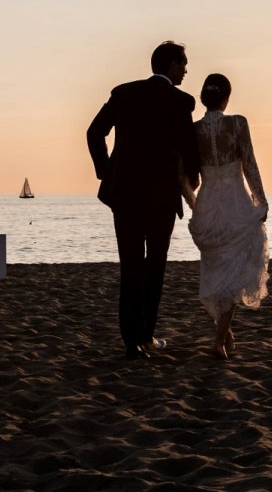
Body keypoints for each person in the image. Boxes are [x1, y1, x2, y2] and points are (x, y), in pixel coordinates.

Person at [87, 41, 201, 361]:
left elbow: (94, 133)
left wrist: (106, 170)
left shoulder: (123, 93)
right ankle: (146, 335)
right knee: (155, 266)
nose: (186, 71)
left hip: (124, 195)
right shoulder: (180, 101)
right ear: (171, 65)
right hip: (161, 197)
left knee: (131, 265)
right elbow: (188, 147)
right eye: (183, 64)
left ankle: (132, 341)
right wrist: (193, 180)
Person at [183, 74, 269, 360]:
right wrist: (261, 200)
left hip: (208, 201)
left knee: (216, 270)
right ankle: (219, 339)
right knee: (233, 273)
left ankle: (224, 331)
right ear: (226, 97)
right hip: (234, 200)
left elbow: (182, 177)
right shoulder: (238, 123)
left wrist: (195, 205)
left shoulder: (193, 130)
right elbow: (250, 164)